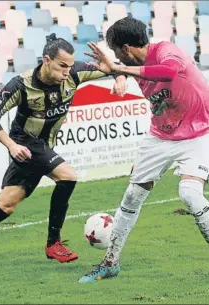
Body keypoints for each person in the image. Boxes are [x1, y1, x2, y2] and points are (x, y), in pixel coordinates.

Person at [0, 34, 126, 272]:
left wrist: (119, 77)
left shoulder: (75, 73)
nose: (68, 71)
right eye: (62, 66)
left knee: (6, 205)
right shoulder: (21, 85)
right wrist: (11, 145)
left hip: (40, 148)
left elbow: (113, 69)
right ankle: (53, 243)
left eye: (70, 66)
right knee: (68, 175)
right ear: (47, 60)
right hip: (25, 144)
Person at [78, 17, 209, 283]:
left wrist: (119, 68)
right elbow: (125, 68)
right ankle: (110, 262)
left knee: (190, 195)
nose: (116, 57)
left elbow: (168, 73)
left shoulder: (168, 52)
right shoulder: (131, 62)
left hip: (199, 133)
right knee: (131, 197)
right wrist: (118, 74)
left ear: (126, 48)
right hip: (160, 135)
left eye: (116, 53)